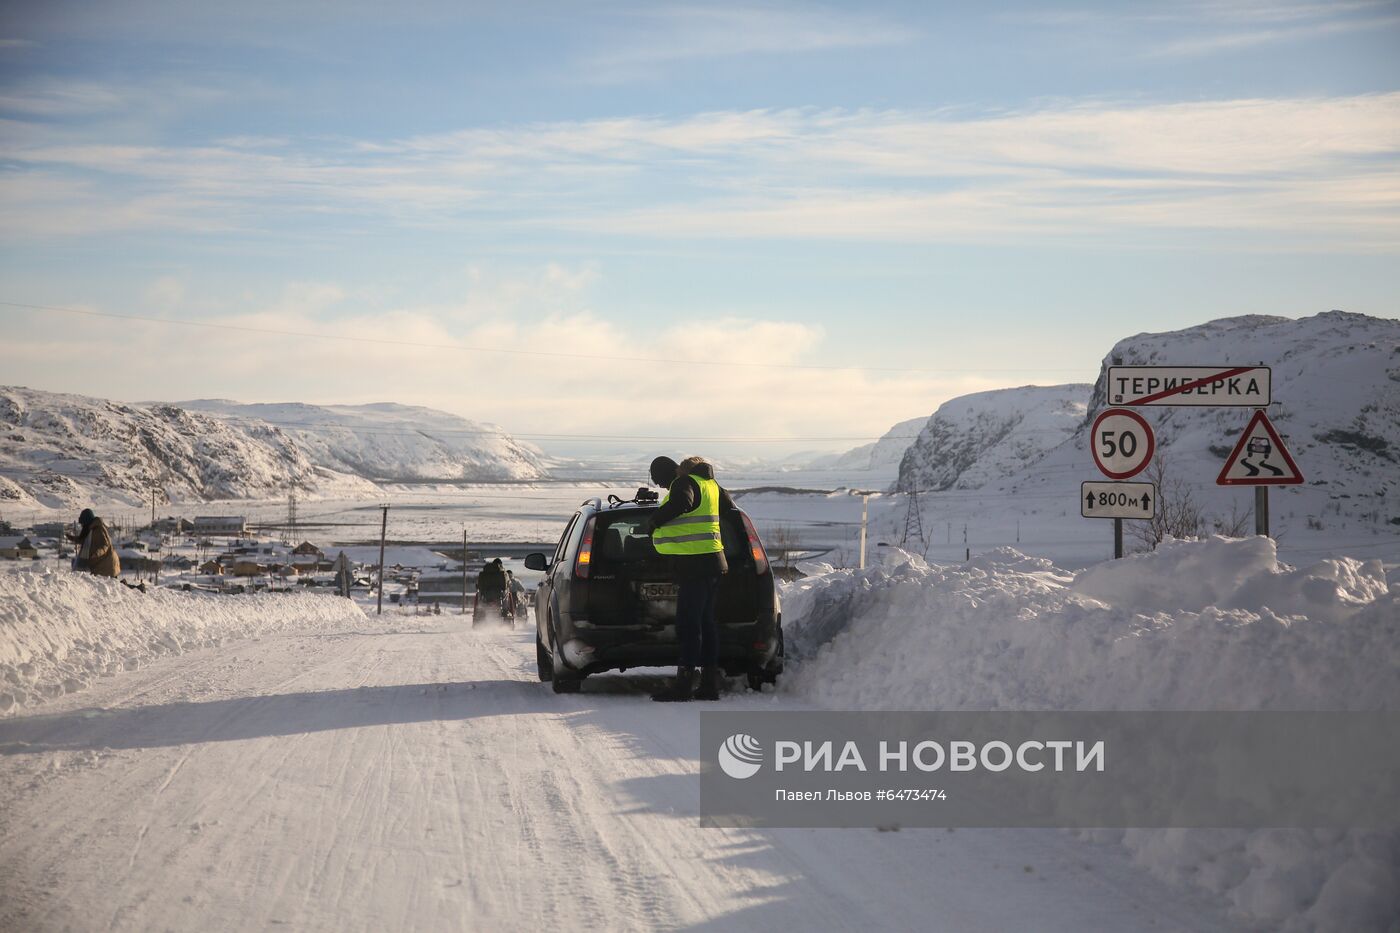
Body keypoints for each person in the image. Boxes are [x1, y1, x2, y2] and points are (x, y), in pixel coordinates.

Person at [644, 455, 738, 702]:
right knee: (706, 625)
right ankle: (708, 685)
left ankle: (683, 687)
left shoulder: (684, 483)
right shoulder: (711, 485)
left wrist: (654, 521)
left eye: (660, 480)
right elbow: (729, 508)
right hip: (714, 562)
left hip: (695, 565)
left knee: (688, 625)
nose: (663, 485)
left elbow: (682, 502)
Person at [67, 508, 121, 578]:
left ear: (87, 522)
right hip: (99, 564)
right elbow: (84, 540)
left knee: (109, 587)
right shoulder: (90, 530)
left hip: (107, 565)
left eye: (83, 524)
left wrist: (97, 553)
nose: (82, 526)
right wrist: (72, 538)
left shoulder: (98, 529)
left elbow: (105, 545)